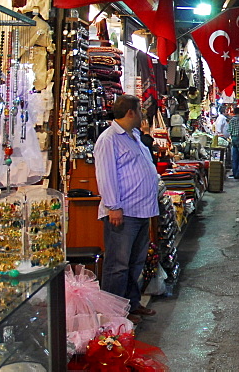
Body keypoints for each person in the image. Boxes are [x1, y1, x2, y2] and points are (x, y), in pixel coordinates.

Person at [94, 94, 159, 324]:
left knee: (134, 262)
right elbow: (106, 175)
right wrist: (113, 207)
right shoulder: (108, 139)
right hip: (123, 213)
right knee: (117, 265)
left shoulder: (133, 137)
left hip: (141, 210)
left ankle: (130, 303)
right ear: (131, 112)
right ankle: (113, 313)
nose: (142, 114)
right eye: (140, 110)